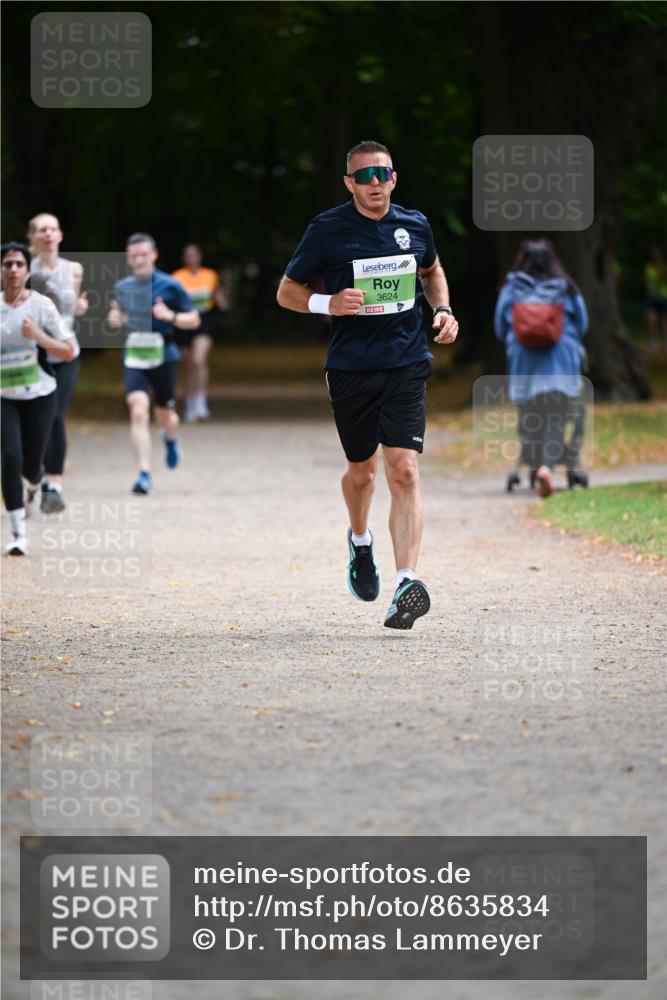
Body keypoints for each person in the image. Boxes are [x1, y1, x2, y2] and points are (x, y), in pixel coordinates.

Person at [277, 140, 459, 630]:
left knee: (404, 471)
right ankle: (360, 541)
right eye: (364, 176)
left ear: (394, 178)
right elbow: (287, 291)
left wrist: (441, 309)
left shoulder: (415, 224)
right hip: (352, 366)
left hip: (407, 361)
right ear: (349, 183)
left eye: (383, 174)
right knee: (363, 472)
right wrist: (328, 304)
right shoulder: (329, 230)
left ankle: (406, 582)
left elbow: (432, 271)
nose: (374, 183)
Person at [494, 239, 588, 497]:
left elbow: (500, 328)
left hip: (525, 362)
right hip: (561, 362)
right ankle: (547, 467)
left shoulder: (512, 287)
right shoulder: (566, 287)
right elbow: (583, 324)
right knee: (557, 416)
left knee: (531, 416)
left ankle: (535, 467)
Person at [107, 233, 200, 495]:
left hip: (163, 353)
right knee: (138, 410)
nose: (138, 260)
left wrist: (169, 315)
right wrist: (115, 318)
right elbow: (118, 315)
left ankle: (170, 438)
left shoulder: (171, 285)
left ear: (154, 254)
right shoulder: (122, 286)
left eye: (143, 255)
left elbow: (193, 320)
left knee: (165, 415)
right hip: (135, 354)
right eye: (133, 256)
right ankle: (144, 474)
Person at [1, 242, 76, 555]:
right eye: (8, 264)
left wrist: (39, 337)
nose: (14, 269)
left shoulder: (42, 306)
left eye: (19, 264)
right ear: (1, 270)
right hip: (4, 395)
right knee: (10, 457)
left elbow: (69, 351)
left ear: (28, 271)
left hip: (40, 394)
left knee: (32, 462)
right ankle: (18, 533)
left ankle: (35, 481)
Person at [27, 212, 88, 514]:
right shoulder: (23, 270)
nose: (48, 234)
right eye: (42, 230)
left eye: (53, 229)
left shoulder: (74, 270)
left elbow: (70, 310)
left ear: (60, 235)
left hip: (66, 353)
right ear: (33, 238)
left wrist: (80, 308)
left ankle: (54, 485)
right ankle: (31, 474)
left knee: (56, 414)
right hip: (34, 353)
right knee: (35, 417)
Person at [171, 244, 227, 421]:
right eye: (188, 255)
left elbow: (219, 298)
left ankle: (201, 402)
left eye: (194, 254)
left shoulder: (210, 275)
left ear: (200, 257)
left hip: (204, 321)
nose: (191, 258)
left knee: (198, 360)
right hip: (183, 322)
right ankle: (190, 402)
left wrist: (223, 301)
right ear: (184, 258)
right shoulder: (177, 277)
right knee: (187, 365)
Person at [643, 246, 667, 357]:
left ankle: (665, 344)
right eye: (653, 256)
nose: (655, 258)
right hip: (652, 298)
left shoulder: (664, 267)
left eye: (657, 256)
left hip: (664, 298)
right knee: (650, 320)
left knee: (664, 323)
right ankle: (653, 343)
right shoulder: (648, 267)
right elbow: (647, 280)